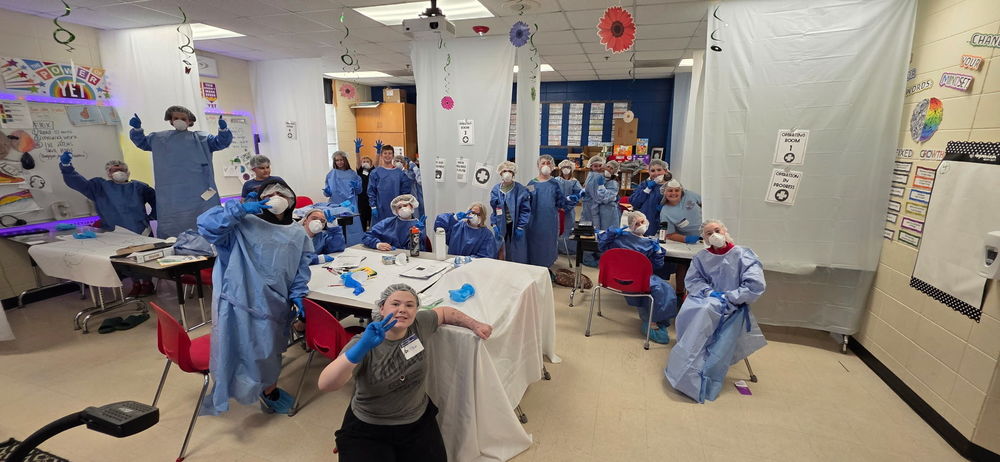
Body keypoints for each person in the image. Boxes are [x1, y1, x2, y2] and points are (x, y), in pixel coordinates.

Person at [317, 284, 493, 462]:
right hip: (370, 425)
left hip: (416, 420)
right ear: (381, 308)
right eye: (395, 304)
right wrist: (362, 347)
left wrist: (475, 325)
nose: (402, 309)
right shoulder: (364, 342)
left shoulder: (419, 325)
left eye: (409, 305)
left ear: (416, 310)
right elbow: (325, 384)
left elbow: (445, 313)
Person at [196, 178, 312, 415]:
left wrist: (298, 294)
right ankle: (249, 389)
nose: (276, 198)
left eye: (282, 193)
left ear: (291, 199)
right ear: (259, 200)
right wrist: (238, 209)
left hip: (275, 303)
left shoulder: (297, 233)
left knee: (269, 351)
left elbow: (301, 266)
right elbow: (206, 225)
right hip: (240, 300)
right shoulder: (242, 224)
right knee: (238, 348)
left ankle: (267, 389)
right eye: (269, 194)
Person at [665, 220, 767, 403]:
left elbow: (755, 285)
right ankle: (683, 367)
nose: (714, 235)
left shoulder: (743, 254)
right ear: (704, 238)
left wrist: (730, 296)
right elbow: (693, 281)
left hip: (733, 306)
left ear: (725, 231)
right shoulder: (701, 257)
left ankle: (702, 380)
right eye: (709, 233)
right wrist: (710, 293)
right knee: (692, 316)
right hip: (704, 299)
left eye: (717, 230)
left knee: (706, 318)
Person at [59, 152, 157, 297]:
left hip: (140, 229)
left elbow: (157, 200)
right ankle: (135, 284)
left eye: (121, 169)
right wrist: (66, 166)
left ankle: (148, 283)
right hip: (115, 231)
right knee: (124, 260)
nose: (118, 172)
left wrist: (153, 215)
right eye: (113, 170)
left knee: (143, 258)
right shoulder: (99, 187)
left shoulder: (139, 187)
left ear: (127, 172)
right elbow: (78, 183)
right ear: (108, 173)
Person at [129, 106, 232, 237]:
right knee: (173, 234)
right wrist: (137, 130)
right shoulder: (159, 139)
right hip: (172, 197)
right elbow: (142, 142)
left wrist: (223, 130)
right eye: (176, 118)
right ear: (171, 121)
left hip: (200, 195)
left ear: (190, 121)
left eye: (183, 118)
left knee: (207, 226)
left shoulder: (201, 139)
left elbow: (220, 142)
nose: (179, 120)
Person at [597, 211, 678, 344]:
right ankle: (652, 322)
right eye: (636, 223)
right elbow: (657, 266)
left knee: (661, 288)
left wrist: (610, 234)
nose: (640, 225)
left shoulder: (621, 239)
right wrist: (658, 252)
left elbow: (602, 244)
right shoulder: (637, 241)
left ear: (647, 222)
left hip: (614, 279)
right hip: (638, 281)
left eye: (642, 222)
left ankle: (652, 317)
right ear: (630, 225)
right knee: (664, 289)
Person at [659, 179, 703, 295]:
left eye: (676, 190)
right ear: (665, 192)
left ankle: (702, 292)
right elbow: (669, 234)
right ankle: (680, 292)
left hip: (706, 234)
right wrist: (686, 239)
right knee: (683, 264)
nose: (673, 193)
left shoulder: (690, 195)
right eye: (670, 191)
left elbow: (706, 202)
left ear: (681, 191)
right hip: (687, 240)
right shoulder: (665, 211)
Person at [525, 155, 567, 269]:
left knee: (548, 244)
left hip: (550, 220)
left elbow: (561, 202)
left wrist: (569, 200)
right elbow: (526, 202)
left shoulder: (555, 183)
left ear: (552, 166)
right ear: (538, 165)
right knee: (534, 243)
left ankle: (547, 266)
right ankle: (534, 265)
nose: (545, 165)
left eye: (548, 163)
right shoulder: (532, 183)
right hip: (534, 220)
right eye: (543, 163)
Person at [489, 161, 531, 264]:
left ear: (513, 173)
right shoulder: (496, 189)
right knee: (501, 250)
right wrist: (494, 224)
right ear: (500, 173)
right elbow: (494, 209)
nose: (507, 173)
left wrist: (520, 227)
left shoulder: (520, 189)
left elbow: (525, 210)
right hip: (501, 225)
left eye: (509, 171)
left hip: (516, 225)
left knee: (516, 252)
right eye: (504, 171)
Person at [363, 194, 428, 251]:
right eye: (399, 207)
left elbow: (417, 250)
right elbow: (366, 237)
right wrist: (377, 244)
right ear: (396, 211)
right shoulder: (388, 223)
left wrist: (415, 234)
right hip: (389, 254)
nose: (403, 208)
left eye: (405, 205)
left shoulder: (419, 226)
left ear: (412, 206)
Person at [433, 202, 499, 258]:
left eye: (478, 214)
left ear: (483, 217)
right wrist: (454, 218)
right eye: (473, 213)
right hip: (452, 263)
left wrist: (466, 260)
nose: (475, 216)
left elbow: (486, 256)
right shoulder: (458, 226)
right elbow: (439, 228)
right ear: (468, 213)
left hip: (472, 267)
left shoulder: (487, 235)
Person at [367, 145, 412, 225]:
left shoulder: (400, 173)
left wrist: (404, 205)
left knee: (395, 229)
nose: (387, 155)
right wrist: (373, 206)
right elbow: (371, 190)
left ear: (393, 156)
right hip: (380, 208)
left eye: (390, 153)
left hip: (396, 207)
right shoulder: (375, 173)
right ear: (381, 155)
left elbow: (405, 191)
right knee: (380, 229)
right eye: (385, 153)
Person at [628, 159, 671, 237]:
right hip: (644, 223)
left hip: (662, 224)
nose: (656, 173)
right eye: (653, 171)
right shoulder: (644, 185)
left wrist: (666, 208)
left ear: (665, 171)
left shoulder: (670, 186)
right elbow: (634, 202)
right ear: (649, 172)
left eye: (659, 170)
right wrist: (647, 189)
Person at [554, 159, 582, 255]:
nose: (566, 169)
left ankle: (567, 249)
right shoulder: (556, 181)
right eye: (564, 167)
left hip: (569, 211)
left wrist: (568, 206)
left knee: (568, 228)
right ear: (560, 169)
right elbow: (553, 194)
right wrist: (559, 205)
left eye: (568, 167)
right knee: (557, 228)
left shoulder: (574, 182)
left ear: (572, 169)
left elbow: (578, 195)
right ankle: (557, 248)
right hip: (557, 210)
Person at [579, 156, 605, 224]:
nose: (598, 168)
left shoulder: (591, 174)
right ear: (591, 166)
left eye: (600, 166)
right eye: (595, 166)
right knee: (591, 224)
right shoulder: (596, 176)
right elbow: (595, 195)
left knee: (586, 222)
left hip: (588, 203)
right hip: (592, 204)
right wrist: (603, 200)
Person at [356, 155, 374, 230]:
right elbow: (358, 162)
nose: (365, 163)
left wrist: (378, 153)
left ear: (371, 164)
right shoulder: (360, 171)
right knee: (362, 220)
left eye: (367, 161)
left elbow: (376, 163)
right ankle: (363, 234)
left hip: (371, 199)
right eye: (364, 162)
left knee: (371, 219)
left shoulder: (373, 171)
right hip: (361, 199)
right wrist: (357, 152)